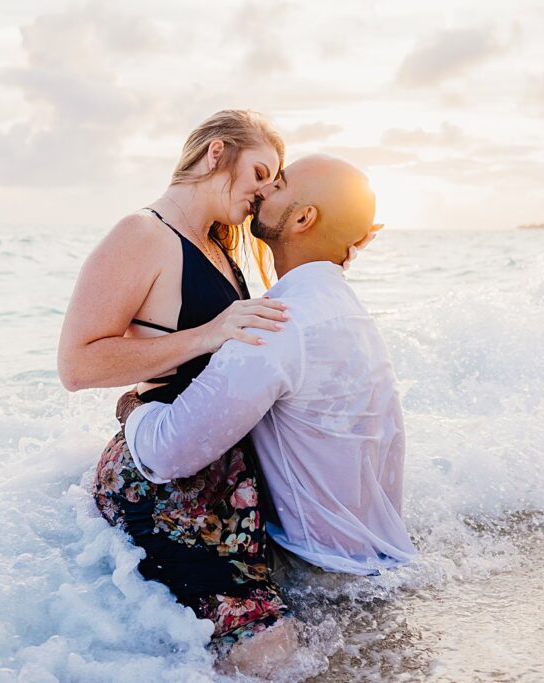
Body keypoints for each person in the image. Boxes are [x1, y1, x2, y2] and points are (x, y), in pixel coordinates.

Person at [58, 110, 297, 668]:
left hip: (217, 474)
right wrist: (208, 332)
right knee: (269, 651)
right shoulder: (142, 234)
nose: (264, 191)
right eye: (260, 172)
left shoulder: (219, 243)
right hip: (162, 477)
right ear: (217, 153)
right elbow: (77, 365)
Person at [120, 155, 417, 584]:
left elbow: (169, 453)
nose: (262, 190)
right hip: (378, 563)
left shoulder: (277, 324)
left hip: (323, 578)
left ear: (303, 218)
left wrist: (135, 406)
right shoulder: (344, 309)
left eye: (278, 185)